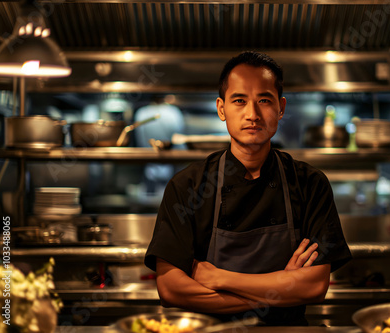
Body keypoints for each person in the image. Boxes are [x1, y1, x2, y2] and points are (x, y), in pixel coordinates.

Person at [144, 51, 352, 326]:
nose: (252, 114)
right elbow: (170, 289)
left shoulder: (310, 183)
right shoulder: (188, 186)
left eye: (264, 100)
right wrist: (281, 289)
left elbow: (314, 286)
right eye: (239, 101)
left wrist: (221, 279)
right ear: (221, 109)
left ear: (281, 108)